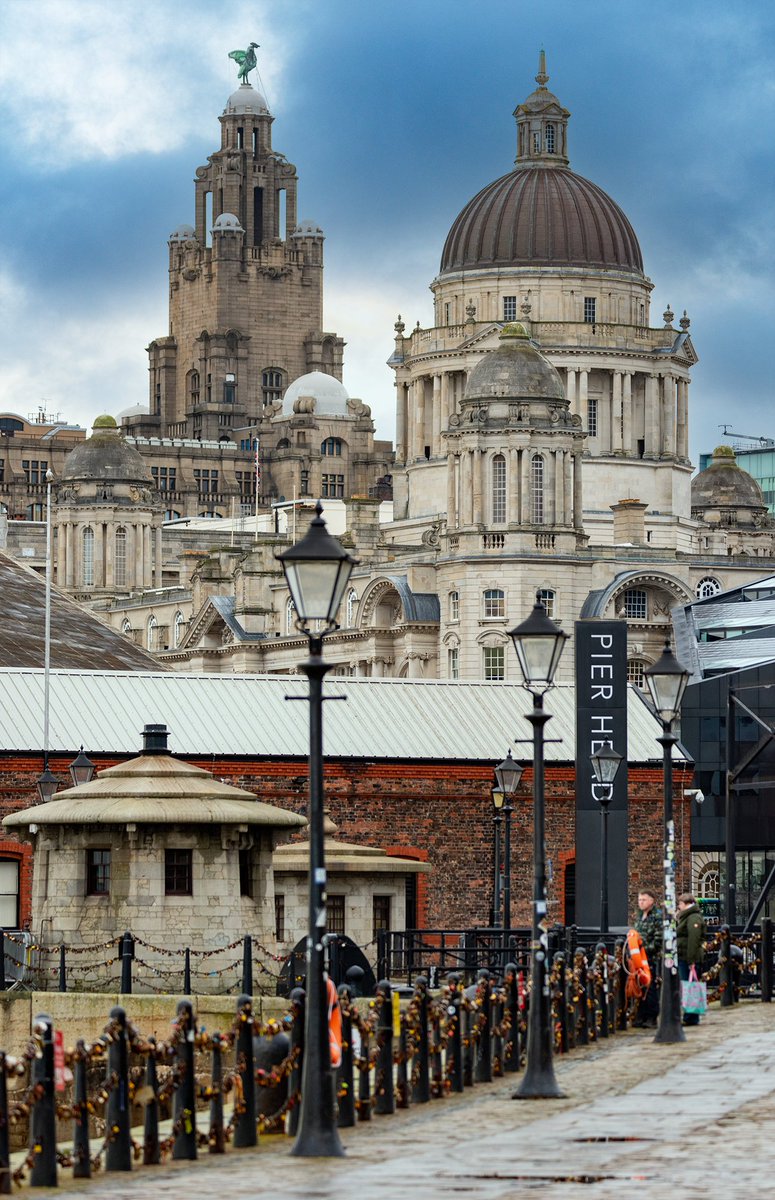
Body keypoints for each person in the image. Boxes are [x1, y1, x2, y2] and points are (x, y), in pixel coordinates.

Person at [633, 888, 663, 1027]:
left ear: (651, 901)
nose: (641, 902)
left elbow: (658, 940)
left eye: (644, 900)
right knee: (639, 986)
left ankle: (651, 1017)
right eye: (639, 900)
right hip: (638, 958)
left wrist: (645, 951)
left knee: (650, 988)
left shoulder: (656, 917)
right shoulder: (639, 917)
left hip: (650, 958)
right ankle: (640, 1015)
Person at [676, 892, 707, 1026]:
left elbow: (693, 940)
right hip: (685, 956)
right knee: (689, 985)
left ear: (685, 904)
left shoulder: (693, 918)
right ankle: (690, 1014)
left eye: (680, 904)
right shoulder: (689, 917)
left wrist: (691, 960)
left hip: (688, 958)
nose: (679, 907)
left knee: (690, 986)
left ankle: (691, 1016)